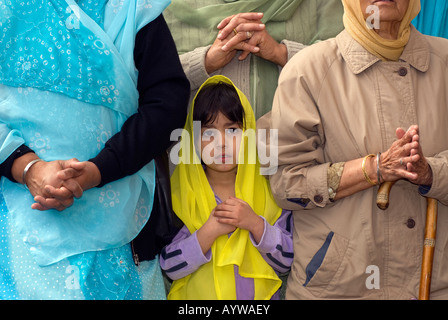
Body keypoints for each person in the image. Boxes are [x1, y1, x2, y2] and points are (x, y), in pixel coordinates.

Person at [258, 0, 448, 299]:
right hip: (340, 286)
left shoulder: (445, 60)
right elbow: (286, 182)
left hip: (436, 283)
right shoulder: (309, 69)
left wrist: (430, 172)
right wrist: (373, 169)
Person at [0, 0, 189, 299]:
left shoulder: (134, 8)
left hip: (125, 224)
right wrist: (27, 167)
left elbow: (167, 103)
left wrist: (99, 169)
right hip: (22, 225)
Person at [160, 75, 293, 300]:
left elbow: (287, 262)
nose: (221, 142)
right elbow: (169, 268)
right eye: (208, 132)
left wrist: (255, 223)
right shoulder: (183, 195)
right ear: (194, 139)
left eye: (232, 130)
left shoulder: (271, 190)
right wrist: (208, 232)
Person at [163, 0, 345, 119]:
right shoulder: (162, 6)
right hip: (192, 166)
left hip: (293, 162)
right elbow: (145, 85)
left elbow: (347, 76)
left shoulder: (322, 4)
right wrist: (205, 61)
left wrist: (280, 53)